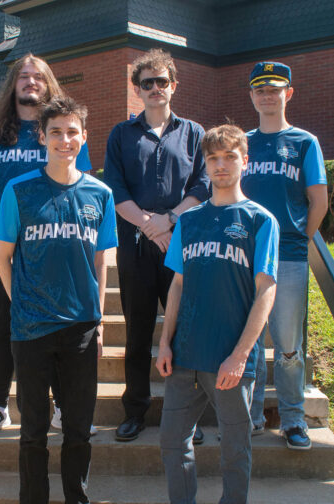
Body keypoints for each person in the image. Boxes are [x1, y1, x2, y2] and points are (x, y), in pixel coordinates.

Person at [0, 96, 117, 504]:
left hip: (80, 327)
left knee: (78, 430)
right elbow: (1, 256)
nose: (65, 140)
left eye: (72, 132)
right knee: (32, 433)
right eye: (56, 132)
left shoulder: (99, 194)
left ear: (84, 136)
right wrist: (21, 304)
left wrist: (97, 319)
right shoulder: (20, 189)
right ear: (43, 137)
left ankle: (76, 498)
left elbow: (101, 261)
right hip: (31, 330)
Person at [0, 54, 92, 437]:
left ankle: (57, 404)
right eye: (22, 76)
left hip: (55, 244)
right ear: (13, 85)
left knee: (55, 324)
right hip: (7, 246)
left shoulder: (61, 130)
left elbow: (77, 185)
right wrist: (10, 233)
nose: (30, 82)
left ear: (47, 83)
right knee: (5, 323)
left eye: (37, 76)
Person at [157, 124, 279, 504]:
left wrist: (240, 355)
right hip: (184, 356)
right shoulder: (189, 221)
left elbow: (266, 291)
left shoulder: (260, 220)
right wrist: (164, 342)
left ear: (246, 161)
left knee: (235, 448)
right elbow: (178, 285)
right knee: (172, 442)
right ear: (205, 166)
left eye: (229, 157)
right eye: (213, 158)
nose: (221, 165)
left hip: (230, 360)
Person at [103, 48, 210, 442]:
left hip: (180, 247)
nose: (154, 89)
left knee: (182, 331)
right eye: (146, 83)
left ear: (173, 86)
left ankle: (186, 415)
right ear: (138, 89)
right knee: (138, 333)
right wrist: (150, 225)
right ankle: (135, 410)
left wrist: (169, 220)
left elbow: (202, 185)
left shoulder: (195, 134)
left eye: (161, 81)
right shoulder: (121, 134)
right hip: (135, 246)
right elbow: (114, 188)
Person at [241, 61, 328, 450]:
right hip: (244, 257)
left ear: (287, 93)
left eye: (274, 89)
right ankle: (253, 416)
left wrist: (293, 240)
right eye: (260, 90)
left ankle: (293, 419)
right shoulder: (242, 142)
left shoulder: (305, 143)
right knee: (251, 341)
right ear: (252, 97)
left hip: (289, 258)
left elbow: (319, 201)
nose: (267, 96)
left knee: (289, 345)